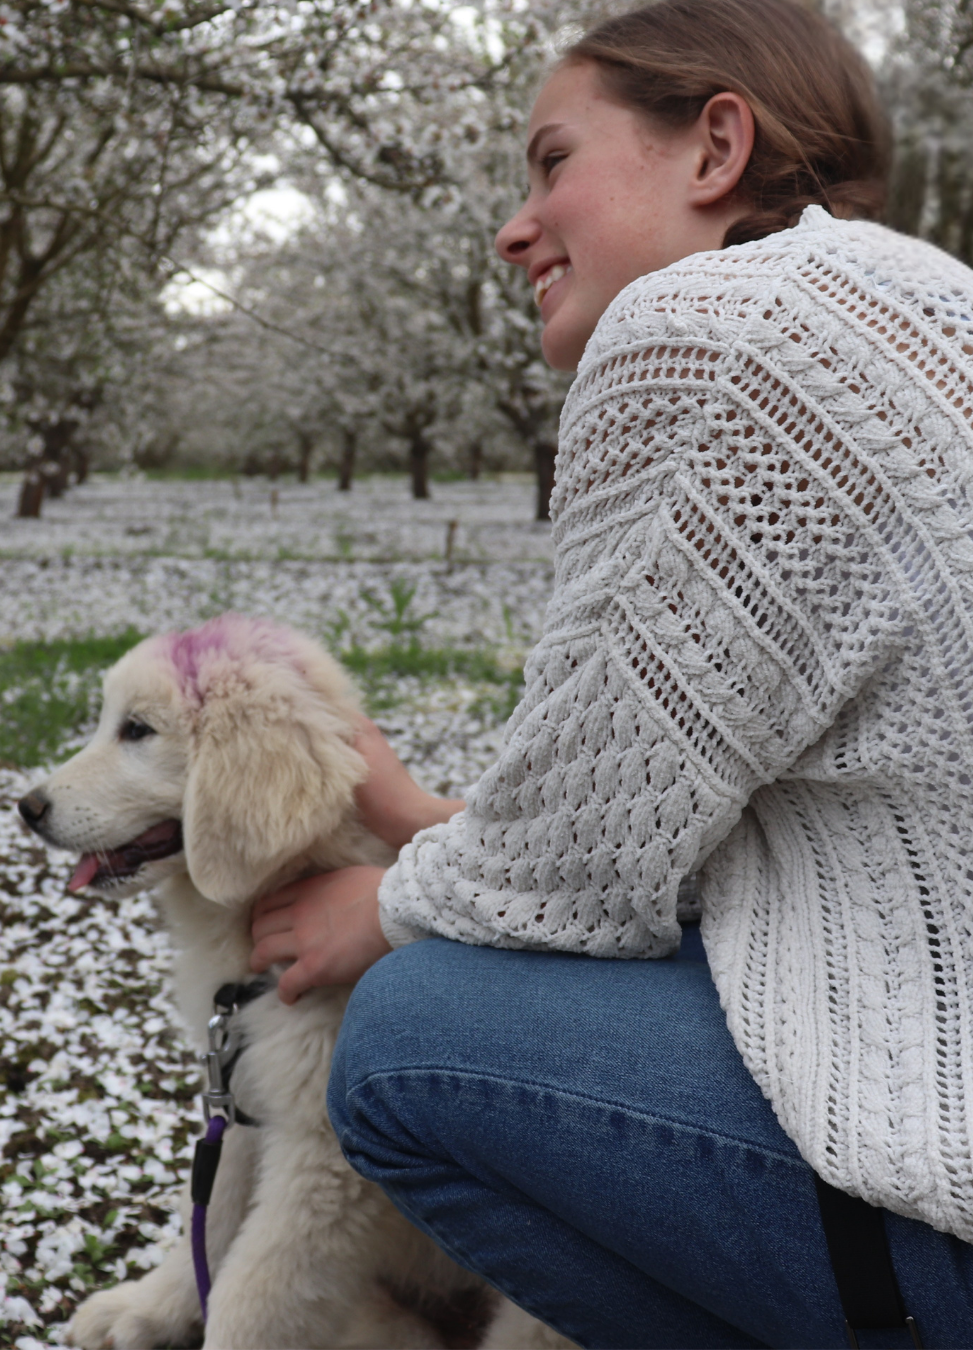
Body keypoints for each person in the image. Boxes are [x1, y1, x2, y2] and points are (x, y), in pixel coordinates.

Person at [248, 0, 973, 1344]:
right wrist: (424, 818)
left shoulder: (711, 328)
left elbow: (579, 873)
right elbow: (683, 831)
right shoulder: (922, 302)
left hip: (944, 1185)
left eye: (552, 163)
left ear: (716, 148)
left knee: (406, 1039)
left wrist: (383, 902)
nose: (513, 228)